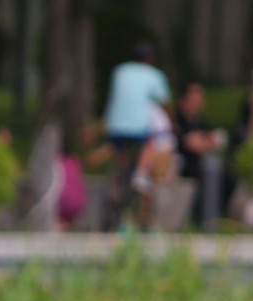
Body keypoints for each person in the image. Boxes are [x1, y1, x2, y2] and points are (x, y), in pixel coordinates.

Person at [100, 40, 172, 231]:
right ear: (150, 59)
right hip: (138, 127)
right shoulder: (154, 75)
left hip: (116, 125)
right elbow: (164, 101)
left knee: (121, 158)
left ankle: (120, 175)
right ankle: (140, 174)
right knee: (150, 141)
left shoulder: (120, 71)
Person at [172, 82, 234, 228]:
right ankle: (203, 220)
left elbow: (216, 138)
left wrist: (204, 140)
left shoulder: (199, 120)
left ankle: (217, 216)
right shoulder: (178, 119)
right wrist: (206, 141)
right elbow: (192, 144)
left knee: (228, 179)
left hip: (202, 164)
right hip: (185, 164)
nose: (199, 102)